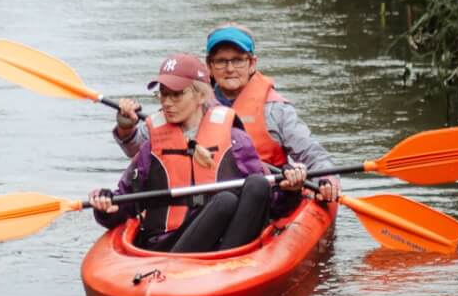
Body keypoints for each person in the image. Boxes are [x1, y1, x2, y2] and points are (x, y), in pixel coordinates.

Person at [88, 55, 308, 254]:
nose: (167, 103)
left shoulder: (235, 141)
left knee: (257, 185)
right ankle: (191, 272)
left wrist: (292, 189)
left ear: (200, 96)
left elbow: (274, 206)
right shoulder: (152, 147)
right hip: (167, 246)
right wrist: (105, 207)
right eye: (163, 95)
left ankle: (224, 263)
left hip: (223, 246)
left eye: (176, 95)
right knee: (224, 201)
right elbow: (122, 206)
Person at [111, 25, 340, 202]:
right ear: (209, 66)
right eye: (220, 61)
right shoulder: (189, 102)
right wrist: (125, 127)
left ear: (252, 63)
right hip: (204, 199)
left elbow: (314, 156)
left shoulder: (276, 110)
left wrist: (326, 182)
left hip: (264, 198)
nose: (230, 69)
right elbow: (142, 150)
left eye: (238, 60)